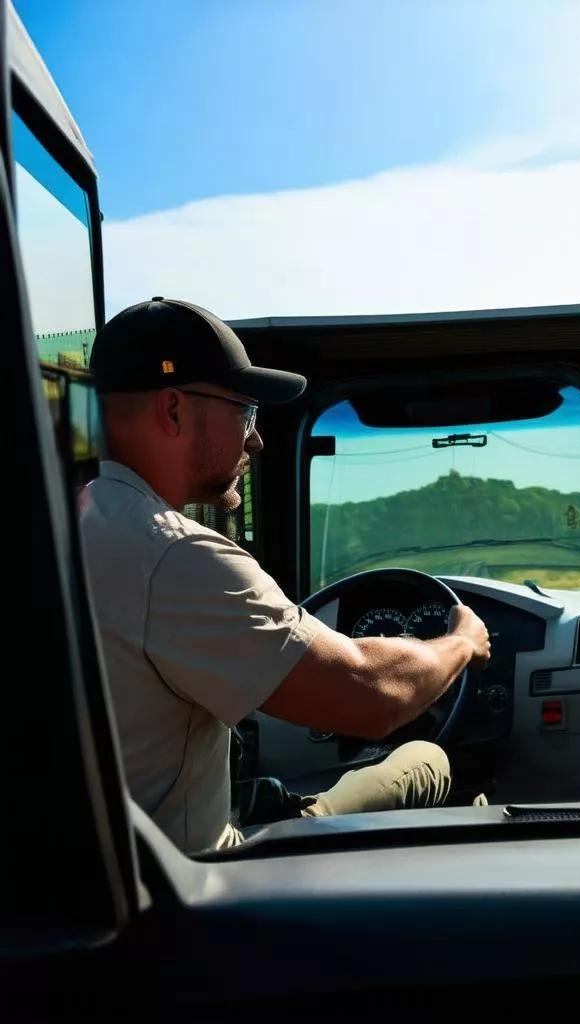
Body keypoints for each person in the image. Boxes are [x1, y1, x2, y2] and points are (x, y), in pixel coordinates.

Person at [79, 297, 491, 855]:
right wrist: (461, 643)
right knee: (426, 762)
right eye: (245, 412)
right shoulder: (175, 555)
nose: (256, 440)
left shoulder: (75, 522)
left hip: (106, 866)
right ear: (173, 411)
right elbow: (371, 695)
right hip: (196, 876)